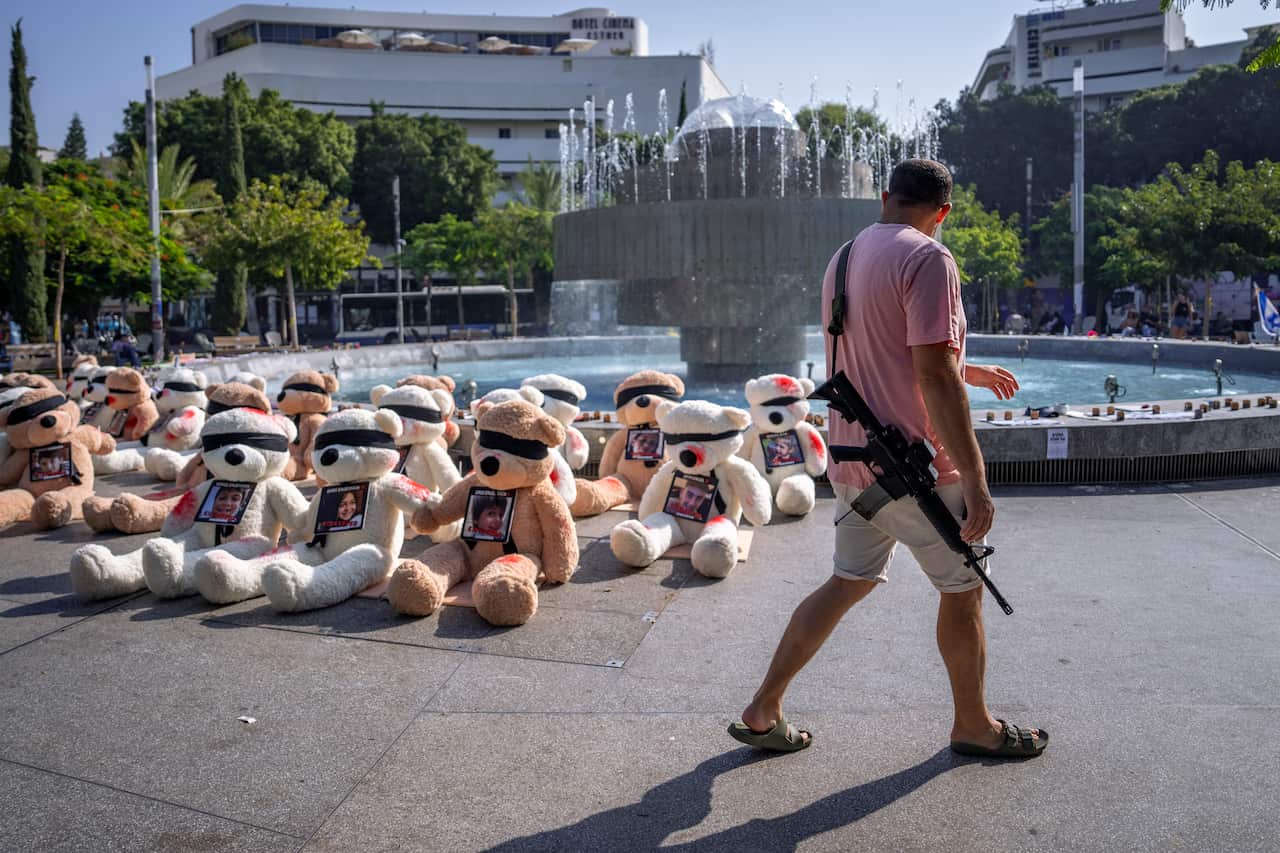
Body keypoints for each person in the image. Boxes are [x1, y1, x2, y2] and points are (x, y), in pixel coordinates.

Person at [728, 159, 1047, 759]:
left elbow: (880, 350)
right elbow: (932, 373)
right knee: (963, 591)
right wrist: (974, 476)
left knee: (847, 581)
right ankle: (974, 725)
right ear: (943, 211)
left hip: (854, 461)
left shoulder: (845, 256)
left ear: (884, 197)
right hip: (917, 470)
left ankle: (763, 707)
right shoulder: (930, 258)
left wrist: (967, 368)